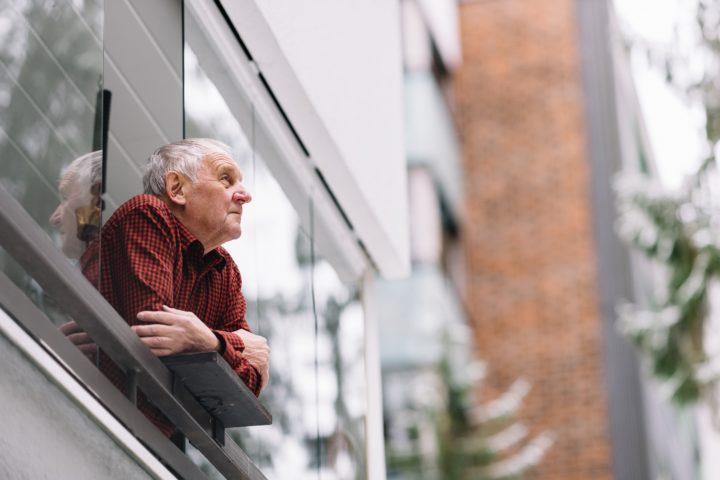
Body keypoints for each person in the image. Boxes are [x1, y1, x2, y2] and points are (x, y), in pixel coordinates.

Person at [63, 139, 270, 437]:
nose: (245, 195)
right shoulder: (147, 214)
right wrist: (234, 345)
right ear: (177, 188)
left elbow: (246, 390)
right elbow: (154, 332)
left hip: (145, 444)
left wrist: (211, 341)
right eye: (226, 179)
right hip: (92, 419)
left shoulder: (226, 271)